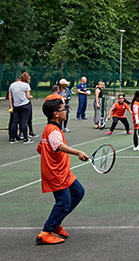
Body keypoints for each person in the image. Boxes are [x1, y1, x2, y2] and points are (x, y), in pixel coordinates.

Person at [35, 98, 89, 244]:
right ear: (56, 114)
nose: (66, 111)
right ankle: (46, 232)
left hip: (63, 171)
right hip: (57, 173)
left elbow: (41, 148)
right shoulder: (53, 130)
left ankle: (56, 221)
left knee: (78, 192)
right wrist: (78, 152)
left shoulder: (50, 129)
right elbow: (58, 146)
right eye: (63, 109)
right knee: (64, 202)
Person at [8, 71, 34, 144]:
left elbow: (10, 97)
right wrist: (31, 97)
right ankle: (25, 139)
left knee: (14, 122)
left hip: (16, 106)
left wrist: (11, 106)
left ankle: (12, 138)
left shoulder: (12, 85)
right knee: (24, 122)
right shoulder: (26, 85)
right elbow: (28, 96)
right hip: (25, 105)